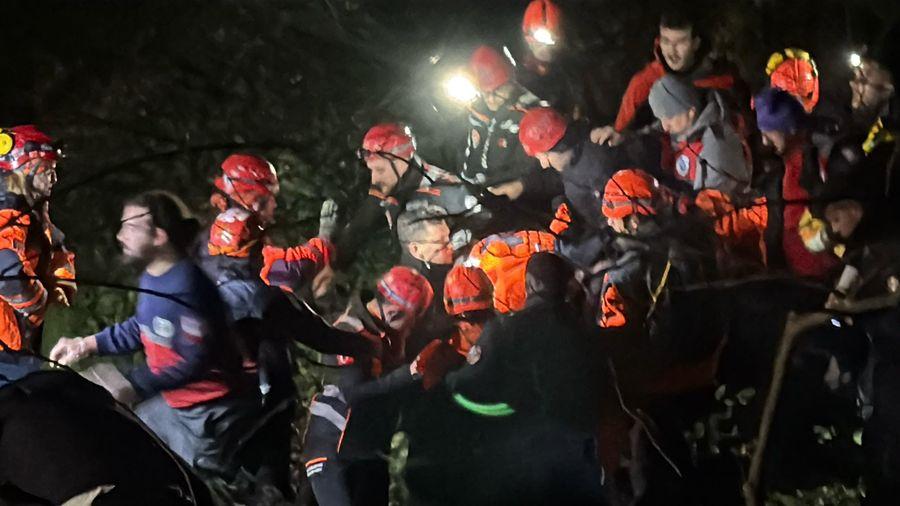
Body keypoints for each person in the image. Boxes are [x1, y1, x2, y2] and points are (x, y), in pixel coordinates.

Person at [49, 191, 254, 475]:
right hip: (171, 401)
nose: (120, 236)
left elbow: (194, 361)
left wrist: (132, 383)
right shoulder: (155, 275)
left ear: (159, 236)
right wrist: (87, 344)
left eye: (130, 227)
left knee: (180, 484)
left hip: (207, 413)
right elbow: (142, 325)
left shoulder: (187, 288)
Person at [301, 266, 433, 506]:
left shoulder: (384, 336)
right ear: (392, 313)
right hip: (334, 451)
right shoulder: (350, 333)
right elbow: (350, 395)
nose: (411, 330)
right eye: (411, 323)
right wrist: (408, 373)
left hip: (365, 450)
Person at [595, 5, 745, 137]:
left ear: (696, 43)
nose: (671, 51)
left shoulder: (721, 77)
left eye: (680, 42)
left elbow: (745, 126)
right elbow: (622, 133)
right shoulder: (643, 83)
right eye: (666, 41)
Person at [0, 125, 75, 366]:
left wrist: (61, 287)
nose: (54, 179)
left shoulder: (32, 212)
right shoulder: (6, 214)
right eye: (47, 171)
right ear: (24, 170)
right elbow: (9, 275)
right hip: (7, 349)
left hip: (20, 344)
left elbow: (58, 252)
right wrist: (44, 308)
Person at [753, 87, 839, 278]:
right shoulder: (781, 164)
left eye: (770, 132)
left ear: (789, 128)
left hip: (821, 274)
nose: (764, 141)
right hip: (792, 271)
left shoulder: (820, 161)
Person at [648, 74, 752, 193]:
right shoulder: (672, 134)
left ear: (690, 111)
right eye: (660, 118)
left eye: (669, 117)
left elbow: (716, 202)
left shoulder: (716, 147)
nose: (664, 126)